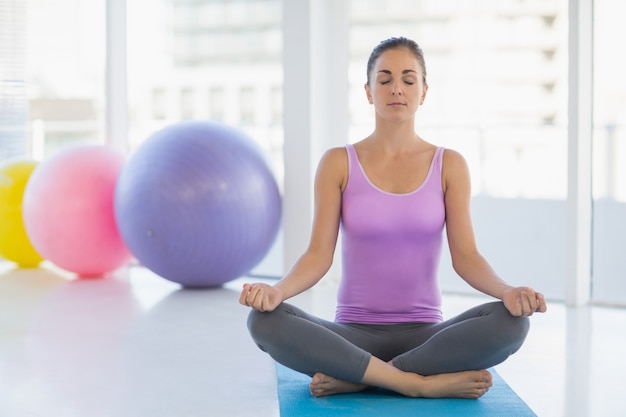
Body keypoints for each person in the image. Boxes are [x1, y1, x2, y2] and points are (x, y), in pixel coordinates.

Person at [239, 36, 547, 399]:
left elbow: (466, 257)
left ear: (424, 92)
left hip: (427, 337)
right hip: (351, 335)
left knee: (511, 324)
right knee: (264, 322)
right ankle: (415, 383)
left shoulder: (449, 165)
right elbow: (318, 255)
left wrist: (508, 291)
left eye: (408, 79)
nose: (396, 88)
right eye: (384, 80)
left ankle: (361, 379)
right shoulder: (338, 162)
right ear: (369, 92)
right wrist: (277, 291)